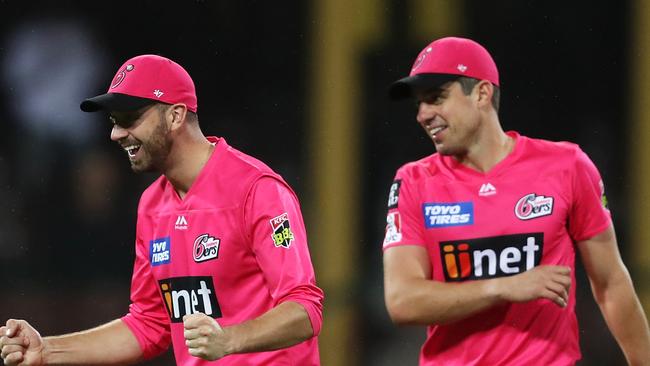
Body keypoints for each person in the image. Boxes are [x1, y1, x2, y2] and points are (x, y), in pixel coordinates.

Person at [0, 54, 323, 365]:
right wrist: (47, 351)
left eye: (130, 119)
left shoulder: (258, 190)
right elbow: (148, 325)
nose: (116, 134)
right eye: (114, 122)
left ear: (176, 116)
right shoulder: (152, 205)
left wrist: (229, 339)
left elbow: (305, 309)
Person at [382, 36, 650, 365]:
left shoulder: (567, 167)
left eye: (436, 98)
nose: (423, 115)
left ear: (482, 93)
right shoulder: (414, 182)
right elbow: (402, 301)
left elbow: (611, 283)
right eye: (419, 104)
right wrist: (503, 287)